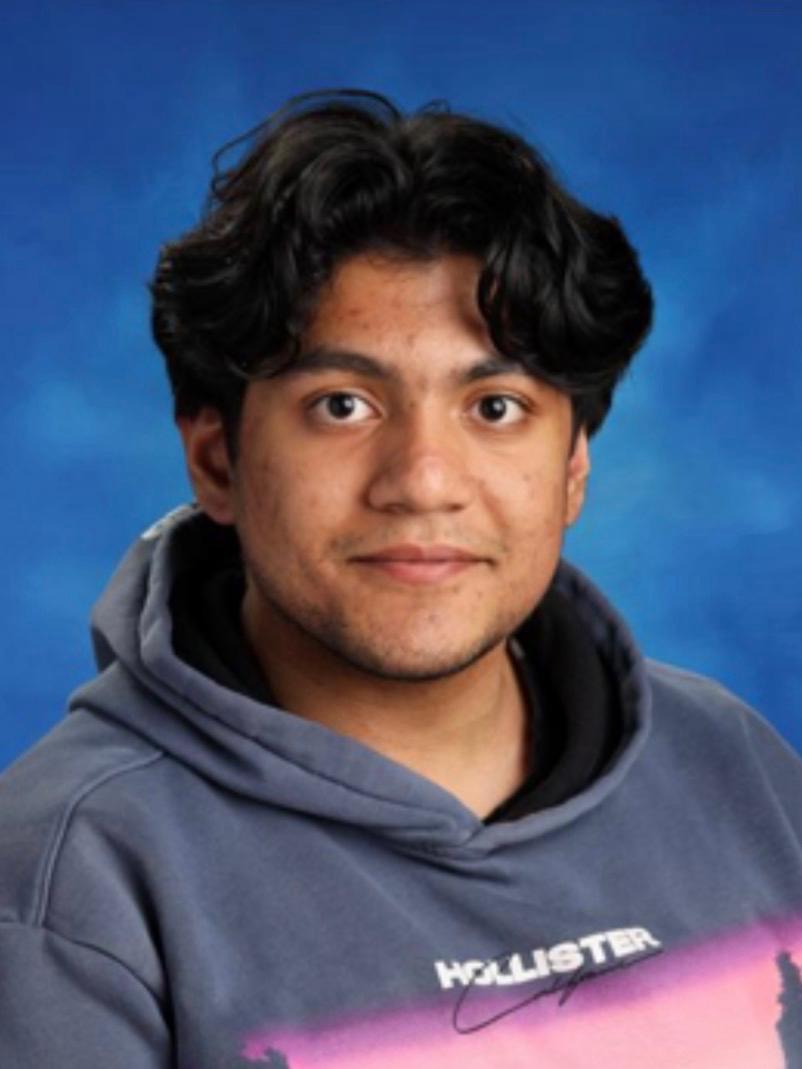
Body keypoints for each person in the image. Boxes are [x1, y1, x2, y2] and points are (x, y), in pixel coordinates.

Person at [1, 89, 801, 1069]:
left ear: (573, 468)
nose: (422, 481)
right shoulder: (70, 876)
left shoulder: (734, 766)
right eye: (342, 403)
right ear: (216, 460)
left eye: (496, 406)